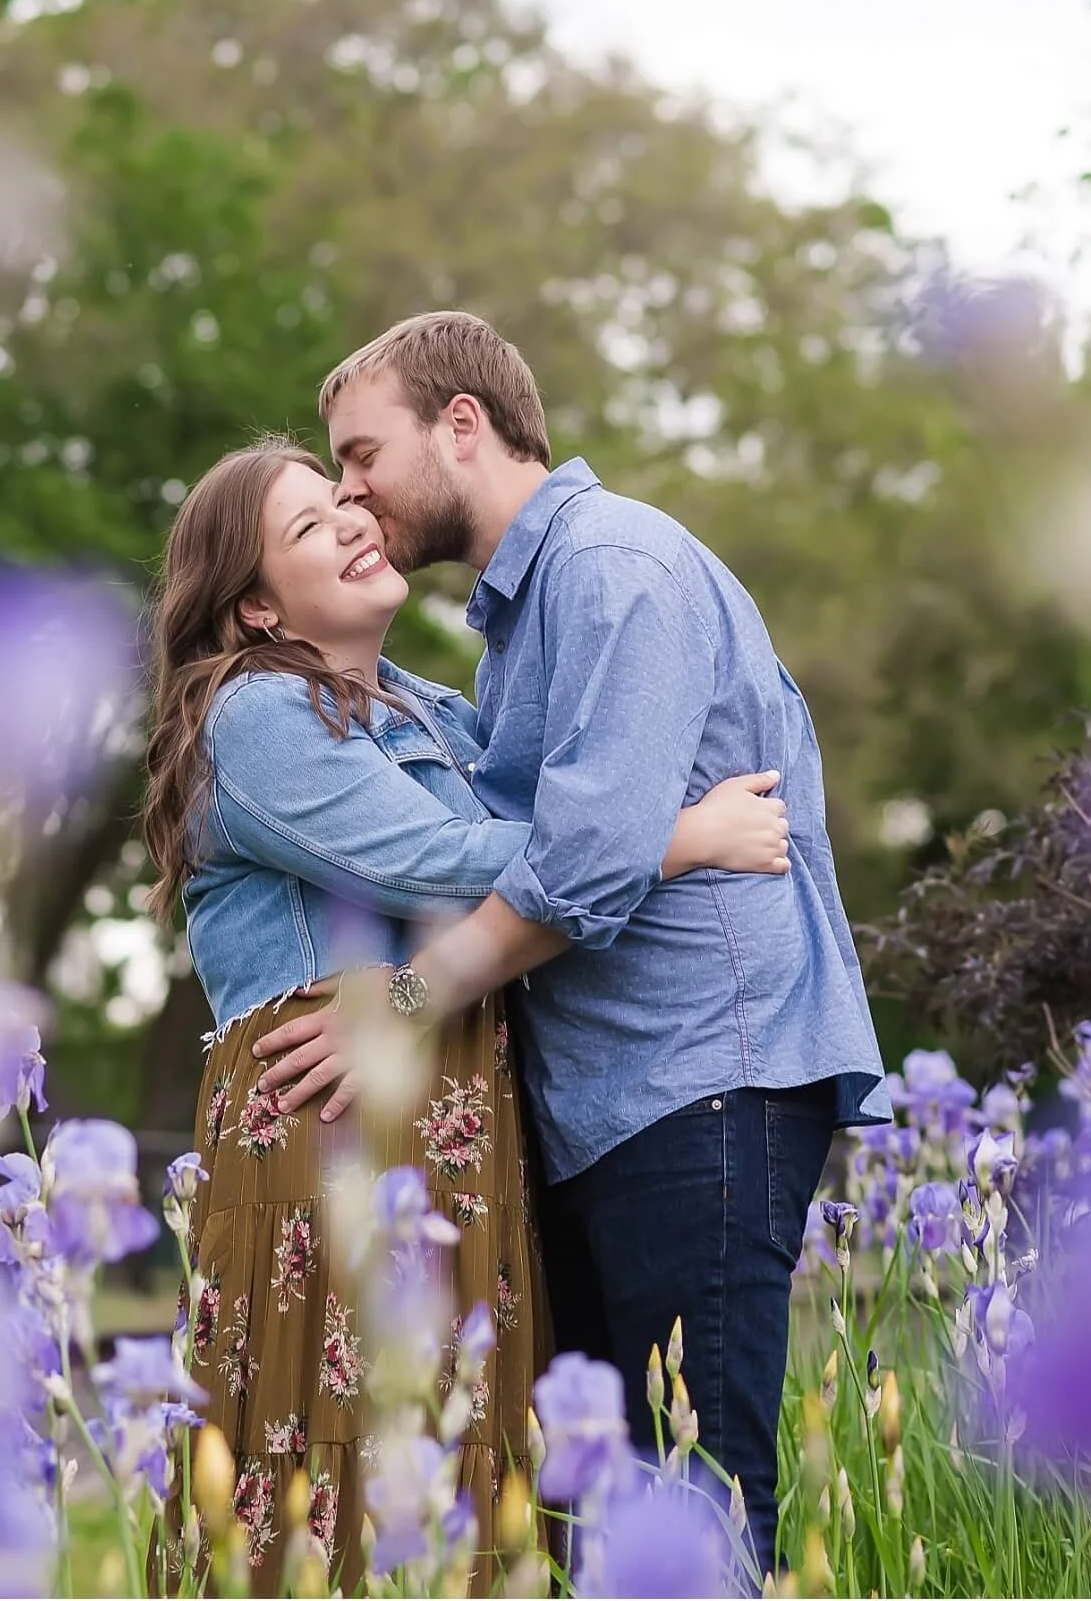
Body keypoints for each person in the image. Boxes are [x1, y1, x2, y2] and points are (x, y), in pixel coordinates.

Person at [247, 311, 890, 1578]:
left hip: (698, 1082)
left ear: (462, 425)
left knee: (696, 1503)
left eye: (362, 454)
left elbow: (582, 866)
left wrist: (404, 1003)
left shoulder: (611, 565)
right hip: (615, 1105)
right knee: (608, 1525)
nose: (352, 491)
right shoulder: (514, 630)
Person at [139, 439, 793, 1590]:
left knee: (461, 1471)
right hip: (326, 1114)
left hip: (447, 1108)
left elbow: (550, 850)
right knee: (337, 1463)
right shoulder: (255, 714)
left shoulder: (430, 708)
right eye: (308, 527)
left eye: (343, 499)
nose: (352, 519)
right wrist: (678, 838)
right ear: (253, 607)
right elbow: (439, 859)